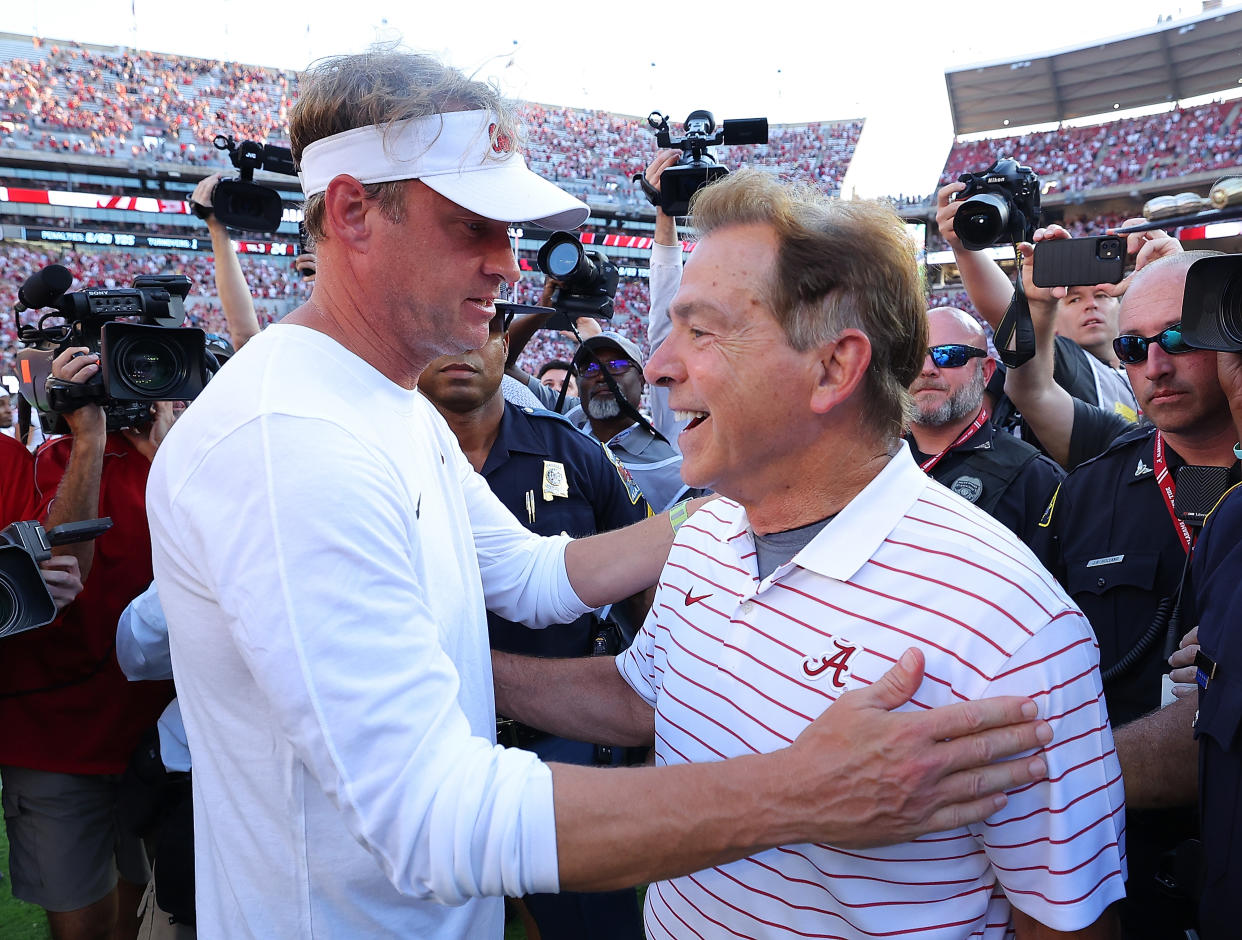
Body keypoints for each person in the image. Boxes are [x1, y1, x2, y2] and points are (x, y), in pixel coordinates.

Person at [145, 50, 1053, 939]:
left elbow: (529, 576)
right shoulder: (290, 443)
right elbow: (431, 819)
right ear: (352, 212)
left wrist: (737, 497)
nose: (510, 264)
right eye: (474, 224)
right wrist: (801, 789)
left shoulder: (382, 403)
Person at [496, 170, 1124, 938]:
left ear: (833, 367)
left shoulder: (1009, 622)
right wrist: (467, 666)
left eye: (701, 331)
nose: (656, 368)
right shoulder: (707, 532)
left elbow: (1062, 922)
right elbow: (640, 698)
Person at [1016, 241, 1234, 938]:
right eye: (1134, 347)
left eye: (1178, 338)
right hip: (1118, 864)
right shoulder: (1091, 489)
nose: (1155, 366)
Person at [418, 311, 649, 939]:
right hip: (432, 749)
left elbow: (640, 588)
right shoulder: (389, 456)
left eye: (489, 331)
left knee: (589, 922)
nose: (467, 345)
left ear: (504, 347)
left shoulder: (572, 450)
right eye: (447, 333)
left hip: (561, 743)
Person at [0, 347, 174, 940]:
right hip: (57, 738)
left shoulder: (194, 461)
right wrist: (90, 430)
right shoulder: (44, 457)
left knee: (156, 909)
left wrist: (174, 458)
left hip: (158, 737)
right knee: (87, 927)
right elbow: (61, 579)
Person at [907, 306, 1063, 542]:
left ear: (986, 372)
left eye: (949, 355)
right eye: (914, 357)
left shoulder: (1035, 479)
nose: (927, 369)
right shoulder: (867, 463)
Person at [573, 330, 696, 512]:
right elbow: (513, 371)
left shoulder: (670, 472)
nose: (601, 376)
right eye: (590, 368)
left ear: (641, 380)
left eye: (617, 365)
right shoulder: (568, 415)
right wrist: (547, 307)